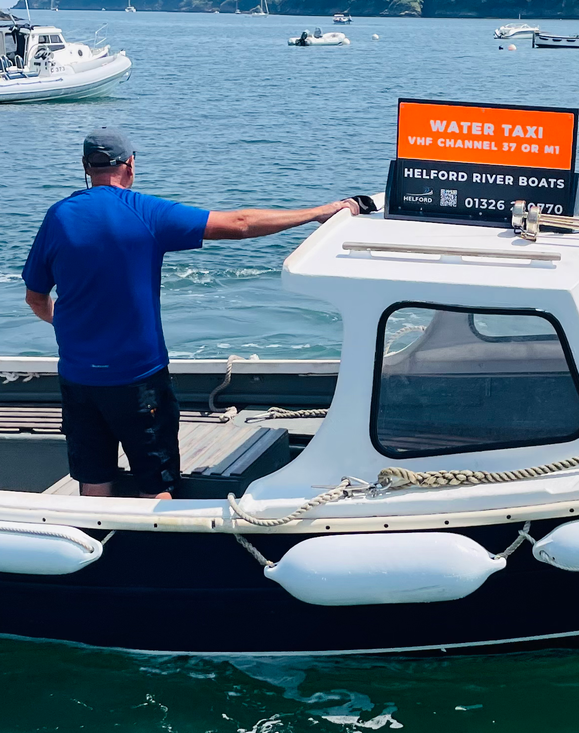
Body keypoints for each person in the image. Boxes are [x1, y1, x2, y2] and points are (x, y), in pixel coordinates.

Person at [22, 128, 360, 499]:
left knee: (94, 478)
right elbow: (240, 224)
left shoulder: (58, 218)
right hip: (138, 380)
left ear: (86, 168)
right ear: (130, 165)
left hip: (78, 378)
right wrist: (320, 213)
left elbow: (36, 298)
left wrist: (66, 324)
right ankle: (156, 552)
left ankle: (95, 542)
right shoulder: (144, 213)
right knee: (156, 482)